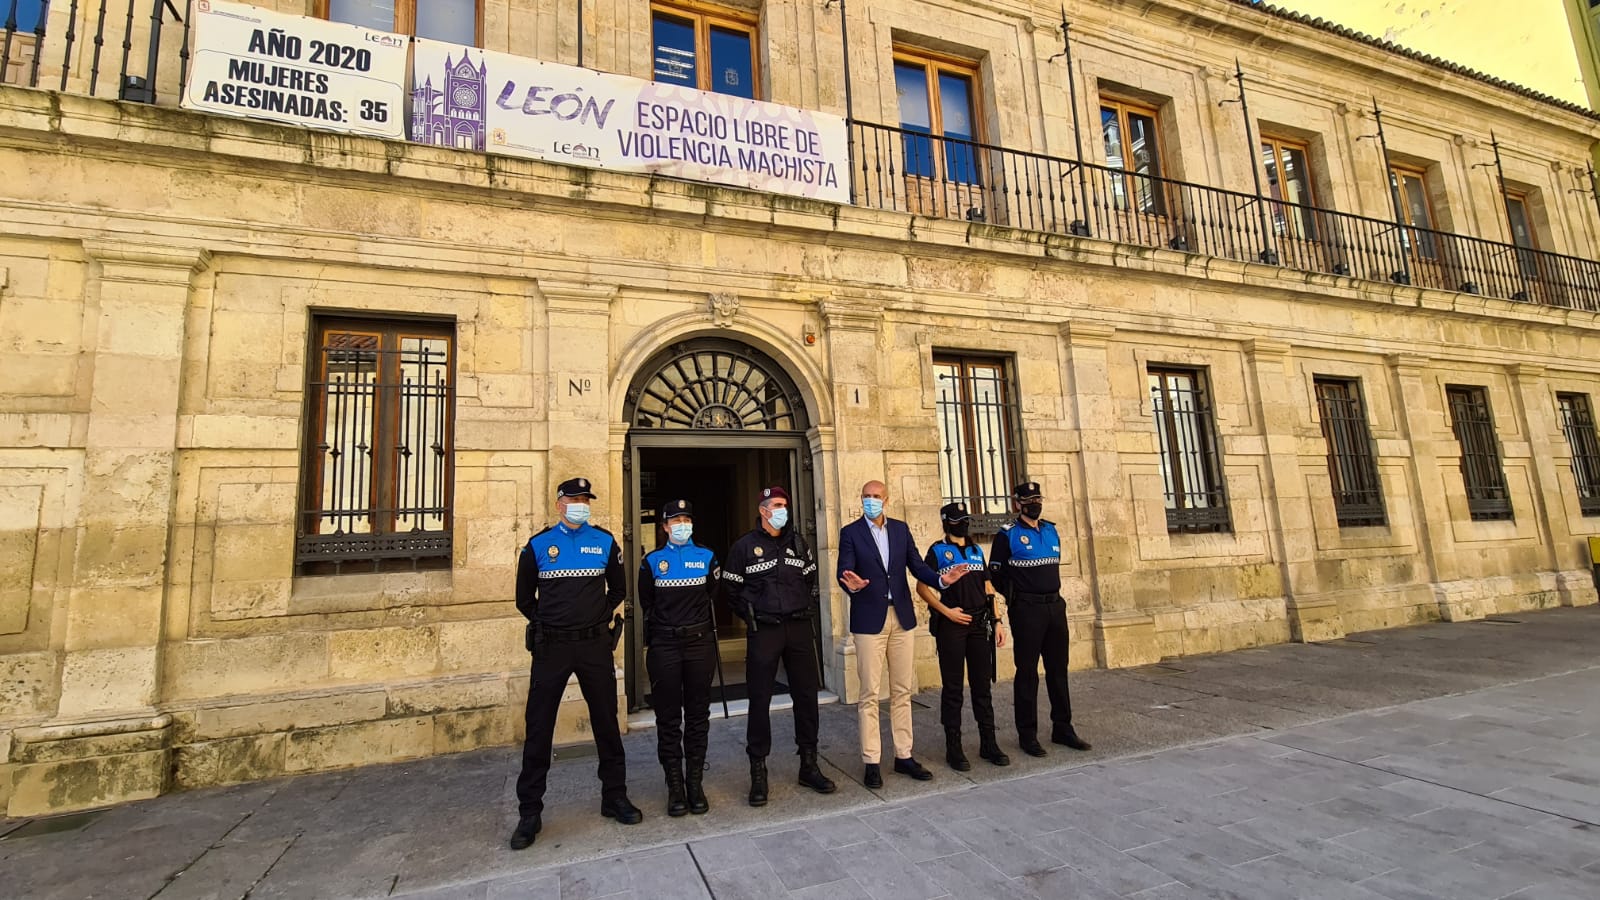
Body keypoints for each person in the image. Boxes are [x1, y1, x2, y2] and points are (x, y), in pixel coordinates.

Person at [509, 477, 641, 851]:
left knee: (606, 722)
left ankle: (614, 796)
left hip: (593, 646)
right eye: (574, 498)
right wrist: (550, 621)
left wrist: (595, 619)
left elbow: (618, 590)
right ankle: (529, 812)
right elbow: (523, 599)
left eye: (585, 498)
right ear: (559, 504)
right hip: (551, 648)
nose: (580, 503)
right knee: (539, 727)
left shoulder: (604, 542)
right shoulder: (537, 546)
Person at [837, 480, 960, 787]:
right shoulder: (850, 533)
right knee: (869, 694)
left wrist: (942, 580)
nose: (871, 501)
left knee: (902, 691)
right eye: (866, 496)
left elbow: (917, 566)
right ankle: (871, 761)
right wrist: (848, 582)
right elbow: (845, 569)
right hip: (869, 620)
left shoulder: (900, 530)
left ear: (886, 500)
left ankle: (904, 755)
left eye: (876, 496)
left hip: (901, 617)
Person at [721, 486, 836, 806]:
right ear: (763, 510)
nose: (783, 509)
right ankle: (758, 772)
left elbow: (809, 581)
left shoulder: (799, 543)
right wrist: (752, 615)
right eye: (776, 504)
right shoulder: (744, 547)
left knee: (806, 697)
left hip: (799, 628)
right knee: (759, 701)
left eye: (785, 503)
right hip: (765, 631)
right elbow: (730, 590)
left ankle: (809, 764)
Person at [988, 481, 1091, 758]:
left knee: (1058, 670)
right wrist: (1015, 596)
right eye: (1029, 500)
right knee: (1027, 672)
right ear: (1017, 504)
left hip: (1055, 607)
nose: (1035, 503)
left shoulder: (1051, 530)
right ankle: (1028, 734)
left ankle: (1063, 727)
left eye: (1038, 498)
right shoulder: (1007, 535)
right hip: (1027, 609)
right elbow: (995, 573)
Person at [638, 499, 718, 817]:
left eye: (687, 518)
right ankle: (675, 786)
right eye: (676, 520)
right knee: (668, 719)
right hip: (666, 646)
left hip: (700, 644)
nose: (682, 524)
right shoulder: (652, 561)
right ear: (665, 527)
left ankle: (695, 783)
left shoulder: (707, 557)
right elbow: (647, 602)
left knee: (698, 716)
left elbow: (712, 592)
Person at [917, 502, 1011, 770]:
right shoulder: (937, 551)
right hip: (952, 626)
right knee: (953, 688)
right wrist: (946, 612)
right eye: (959, 520)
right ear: (947, 522)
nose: (964, 524)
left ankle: (988, 742)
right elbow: (922, 588)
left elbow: (988, 586)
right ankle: (954, 747)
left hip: (980, 623)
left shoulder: (975, 550)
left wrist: (998, 620)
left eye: (966, 519)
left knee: (982, 686)